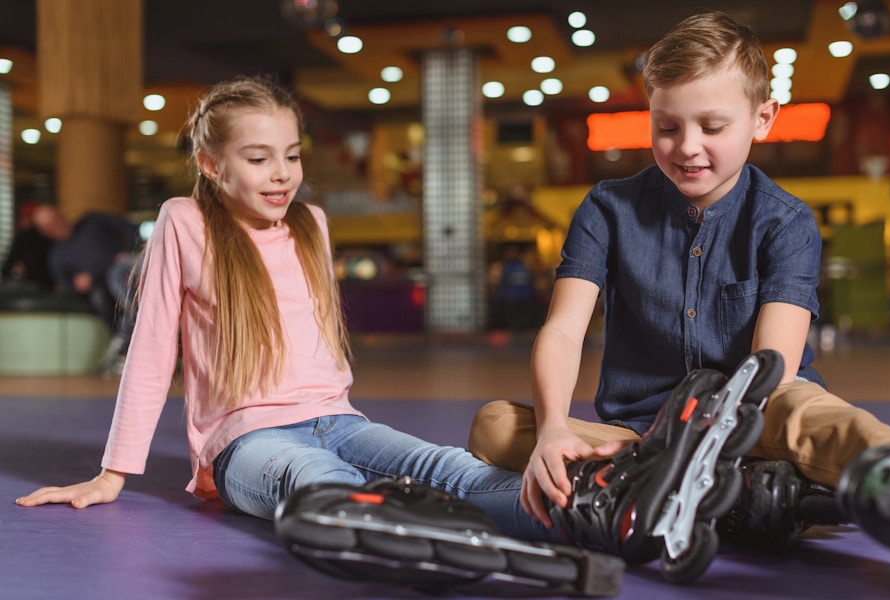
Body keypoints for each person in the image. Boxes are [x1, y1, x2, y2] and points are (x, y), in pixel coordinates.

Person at [14, 75, 560, 546]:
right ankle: (396, 534)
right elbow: (153, 347)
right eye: (258, 158)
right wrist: (112, 474)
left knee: (444, 467)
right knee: (315, 476)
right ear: (210, 164)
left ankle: (587, 510)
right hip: (248, 441)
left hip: (340, 421)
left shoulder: (311, 224)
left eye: (292, 155)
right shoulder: (185, 221)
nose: (282, 173)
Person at [468, 11, 890, 554]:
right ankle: (749, 495)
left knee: (811, 414)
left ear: (762, 119)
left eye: (712, 128)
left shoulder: (786, 222)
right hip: (645, 437)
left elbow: (774, 367)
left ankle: (879, 472)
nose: (687, 147)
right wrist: (553, 426)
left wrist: (713, 439)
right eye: (666, 128)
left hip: (756, 421)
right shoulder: (607, 209)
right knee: (494, 426)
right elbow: (562, 330)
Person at [0, 200, 55, 291]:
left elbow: (6, 269)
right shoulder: (53, 236)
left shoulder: (24, 237)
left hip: (33, 288)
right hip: (49, 288)